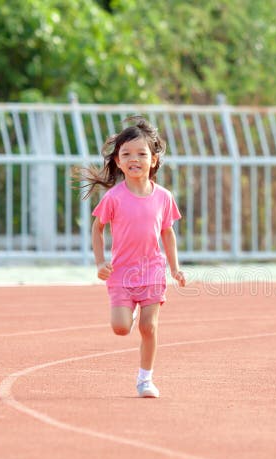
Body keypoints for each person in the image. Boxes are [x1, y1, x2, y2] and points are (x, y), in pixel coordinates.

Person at [77, 116, 186, 398]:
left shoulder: (163, 197)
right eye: (126, 154)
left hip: (151, 271)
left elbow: (168, 233)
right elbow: (97, 228)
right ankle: (131, 310)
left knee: (149, 327)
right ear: (117, 161)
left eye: (141, 153)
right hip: (122, 274)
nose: (133, 159)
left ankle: (145, 379)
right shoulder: (114, 197)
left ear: (153, 160)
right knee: (121, 328)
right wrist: (100, 262)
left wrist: (175, 268)